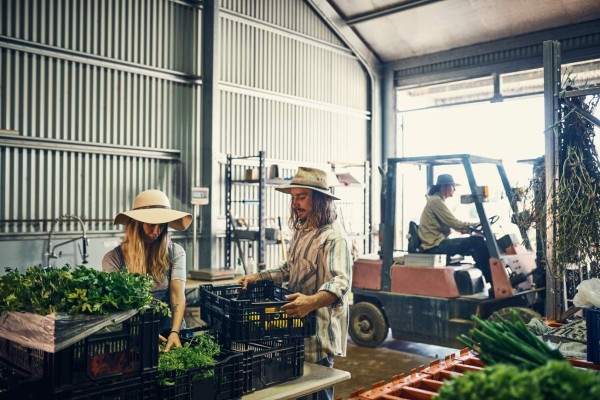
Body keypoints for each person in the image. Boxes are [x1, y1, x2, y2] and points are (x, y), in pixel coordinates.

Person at [239, 166, 352, 400]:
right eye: (293, 198)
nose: (295, 204)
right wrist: (257, 277)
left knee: (316, 395)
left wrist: (310, 302)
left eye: (302, 197)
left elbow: (340, 283)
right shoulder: (303, 231)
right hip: (294, 335)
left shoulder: (333, 237)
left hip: (317, 340)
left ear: (319, 199)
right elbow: (288, 269)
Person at [102, 189, 193, 351]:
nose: (156, 231)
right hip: (134, 334)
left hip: (170, 331)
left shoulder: (175, 252)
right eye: (151, 225)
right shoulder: (113, 259)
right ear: (136, 224)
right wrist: (143, 332)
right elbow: (118, 305)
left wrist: (175, 331)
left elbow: (177, 293)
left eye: (161, 225)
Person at [417, 174, 492, 283]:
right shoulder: (435, 201)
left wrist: (469, 229)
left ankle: (483, 280)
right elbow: (453, 222)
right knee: (477, 243)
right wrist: (474, 225)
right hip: (435, 246)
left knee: (476, 245)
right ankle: (493, 282)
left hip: (438, 243)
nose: (455, 189)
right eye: (453, 186)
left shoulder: (438, 201)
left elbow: (452, 226)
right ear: (444, 187)